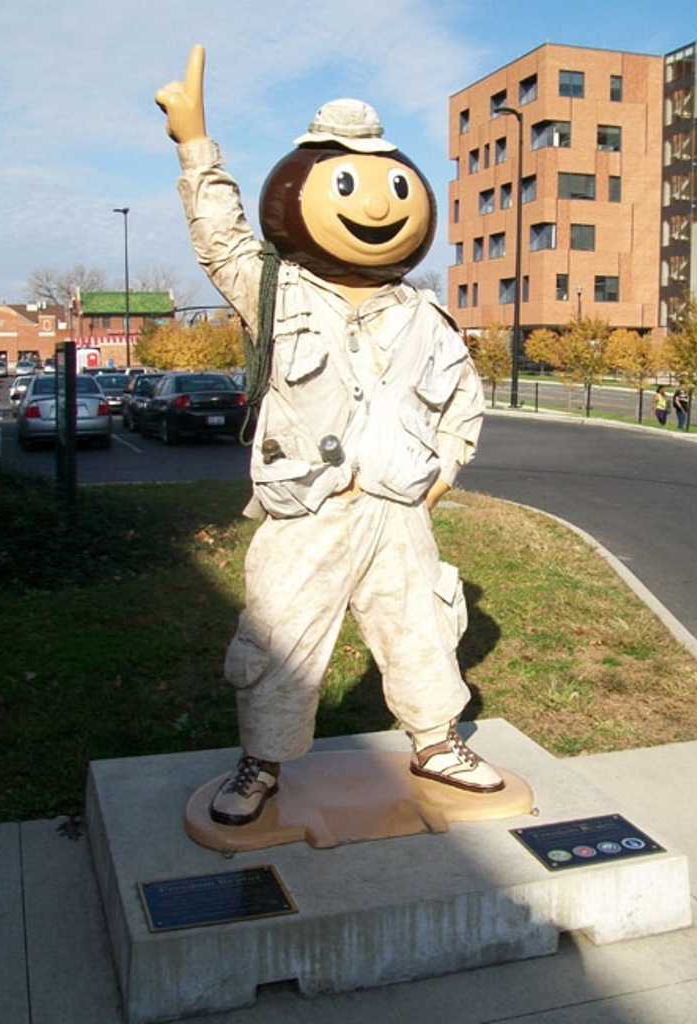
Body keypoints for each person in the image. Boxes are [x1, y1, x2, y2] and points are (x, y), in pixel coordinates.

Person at [156, 47, 505, 827]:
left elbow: (464, 407)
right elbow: (221, 239)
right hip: (305, 510)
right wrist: (195, 145)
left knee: (419, 626)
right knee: (281, 636)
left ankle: (436, 740)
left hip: (395, 511)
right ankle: (262, 762)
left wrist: (438, 477)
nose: (378, 208)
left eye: (391, 187)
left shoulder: (424, 315)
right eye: (348, 183)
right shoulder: (275, 292)